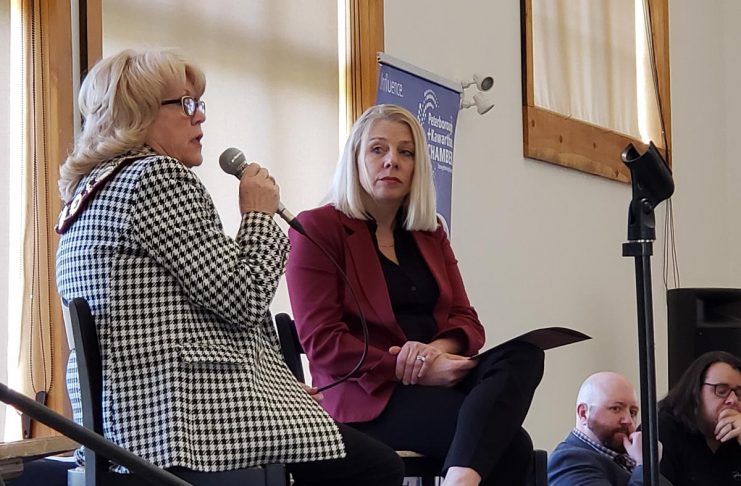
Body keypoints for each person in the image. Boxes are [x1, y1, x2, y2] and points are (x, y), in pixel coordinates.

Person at [55, 48, 403, 486]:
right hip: (184, 425)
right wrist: (257, 214)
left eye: (200, 103)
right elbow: (243, 297)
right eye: (185, 104)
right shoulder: (158, 178)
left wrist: (282, 391)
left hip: (132, 424)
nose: (200, 117)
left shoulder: (88, 194)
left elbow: (185, 316)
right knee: (379, 467)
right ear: (138, 112)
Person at [285, 104, 545, 486]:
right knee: (512, 446)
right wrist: (409, 366)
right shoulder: (316, 228)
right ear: (355, 158)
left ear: (417, 166)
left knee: (524, 355)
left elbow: (467, 321)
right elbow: (324, 342)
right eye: (378, 149)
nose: (392, 161)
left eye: (405, 153)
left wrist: (433, 353)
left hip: (436, 376)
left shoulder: (429, 232)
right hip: (366, 394)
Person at [548, 371, 671, 486]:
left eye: (633, 412)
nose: (628, 420)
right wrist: (645, 465)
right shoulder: (568, 461)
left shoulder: (627, 459)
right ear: (583, 413)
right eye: (616, 409)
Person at [657, 351, 741, 486]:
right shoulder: (664, 429)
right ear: (695, 390)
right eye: (721, 390)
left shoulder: (737, 436)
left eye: (739, 393)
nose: (733, 400)